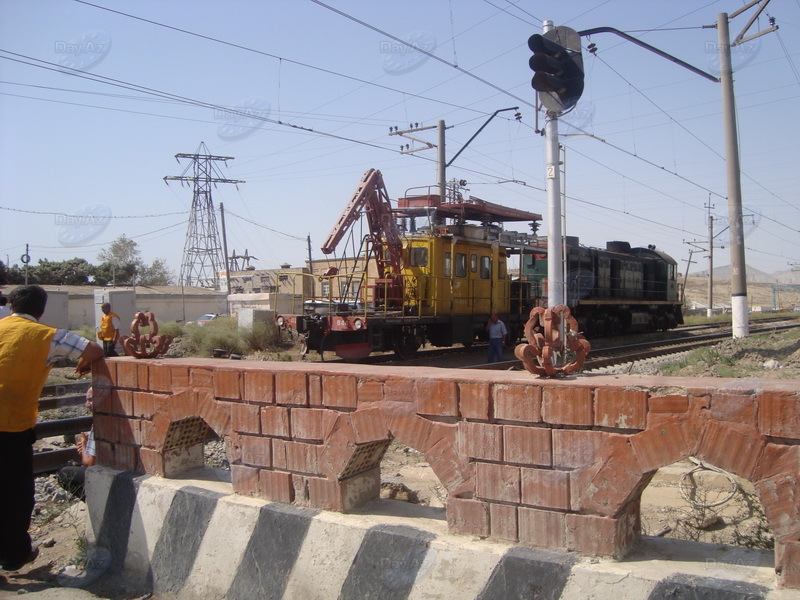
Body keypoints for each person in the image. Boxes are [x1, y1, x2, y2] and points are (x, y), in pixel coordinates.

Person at [0, 285, 104, 572]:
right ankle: (13, 554)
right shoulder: (48, 335)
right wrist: (85, 360)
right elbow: (94, 349)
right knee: (15, 492)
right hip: (11, 427)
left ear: (10, 306)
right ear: (41, 310)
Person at [57, 388, 97, 501]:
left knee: (64, 473)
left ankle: (93, 501)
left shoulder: (98, 424)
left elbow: (89, 463)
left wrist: (84, 448)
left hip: (101, 476)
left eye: (90, 400)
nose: (87, 405)